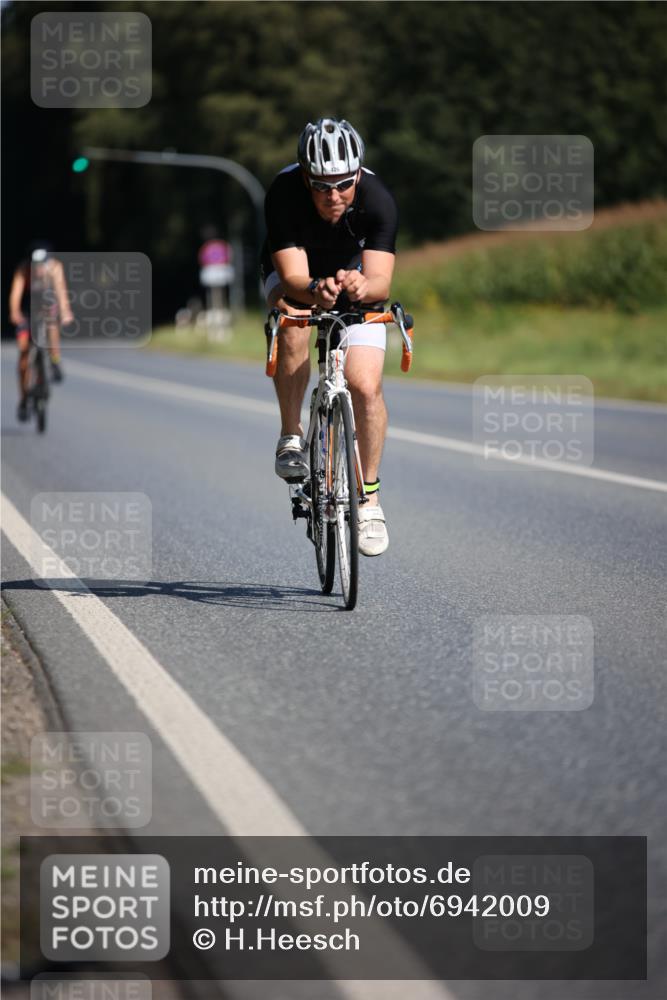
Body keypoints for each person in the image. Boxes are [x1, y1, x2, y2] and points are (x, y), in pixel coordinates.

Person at [261, 118, 398, 556]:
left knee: (364, 384)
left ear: (357, 175)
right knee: (296, 317)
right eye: (321, 186)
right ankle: (291, 436)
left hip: (353, 273)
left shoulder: (378, 200)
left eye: (342, 184)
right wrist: (313, 291)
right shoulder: (283, 193)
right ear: (305, 177)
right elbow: (293, 277)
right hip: (297, 275)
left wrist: (360, 287)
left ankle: (370, 500)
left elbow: (381, 283)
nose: (333, 196)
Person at [8, 243, 73, 421]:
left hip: (46, 304)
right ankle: (23, 398)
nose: (38, 269)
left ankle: (54, 359)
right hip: (28, 308)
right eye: (34, 265)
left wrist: (66, 312)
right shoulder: (23, 270)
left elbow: (61, 292)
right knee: (23, 354)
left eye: (41, 265)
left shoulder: (55, 267)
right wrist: (15, 313)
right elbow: (15, 295)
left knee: (52, 323)